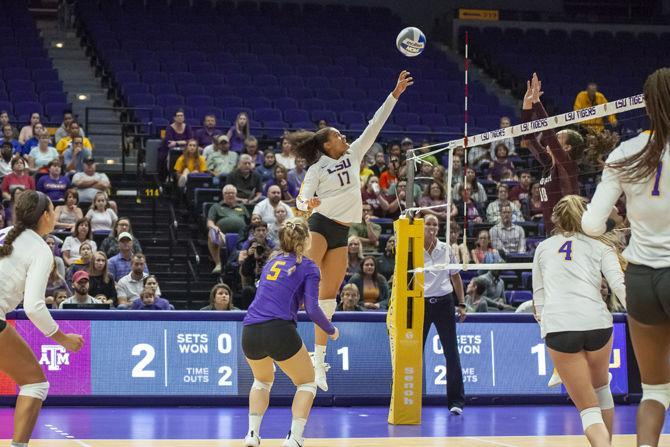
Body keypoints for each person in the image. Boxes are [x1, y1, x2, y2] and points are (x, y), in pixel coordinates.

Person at [290, 70, 412, 391]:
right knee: (309, 286)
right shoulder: (318, 169)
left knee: (328, 298)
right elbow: (302, 198)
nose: (344, 136)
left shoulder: (354, 153)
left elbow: (375, 124)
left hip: (342, 233)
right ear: (326, 144)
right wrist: (308, 201)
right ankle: (280, 325)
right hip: (319, 225)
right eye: (338, 135)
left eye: (343, 134)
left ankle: (318, 361)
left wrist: (394, 93)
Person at [581, 67, 670, 447]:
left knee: (656, 390)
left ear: (646, 106)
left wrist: (625, 225)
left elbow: (590, 224)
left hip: (641, 279)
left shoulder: (624, 154)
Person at [533, 195, 626, 447]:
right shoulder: (600, 245)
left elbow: (539, 300)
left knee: (588, 409)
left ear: (556, 219)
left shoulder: (543, 248)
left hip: (561, 328)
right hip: (598, 324)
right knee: (601, 390)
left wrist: (546, 330)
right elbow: (619, 285)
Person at [241, 217, 339, 447]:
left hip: (250, 330)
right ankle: (294, 438)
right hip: (279, 330)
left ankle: (252, 435)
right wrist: (331, 330)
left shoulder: (271, 263)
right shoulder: (308, 266)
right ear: (306, 241)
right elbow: (313, 309)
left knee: (261, 381)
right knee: (307, 382)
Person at [0, 190, 84, 446]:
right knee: (35, 385)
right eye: (53, 209)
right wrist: (63, 339)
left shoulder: (4, 235)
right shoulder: (41, 249)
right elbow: (34, 307)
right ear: (46, 216)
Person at [522, 73, 582, 233]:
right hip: (552, 233)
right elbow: (528, 141)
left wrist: (537, 104)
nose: (553, 139)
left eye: (558, 138)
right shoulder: (549, 165)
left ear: (567, 148)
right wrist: (527, 107)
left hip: (570, 232)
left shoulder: (569, 167)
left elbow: (548, 135)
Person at [422, 214, 466, 414]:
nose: (431, 227)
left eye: (434, 224)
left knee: (451, 352)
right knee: (413, 353)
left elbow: (456, 278)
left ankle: (456, 402)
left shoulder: (446, 249)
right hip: (420, 304)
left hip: (444, 302)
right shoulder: (413, 248)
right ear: (421, 227)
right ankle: (411, 401)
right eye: (428, 224)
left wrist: (462, 303)